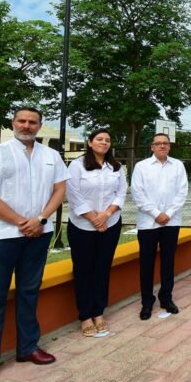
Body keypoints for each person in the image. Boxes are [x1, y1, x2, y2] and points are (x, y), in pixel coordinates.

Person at [0, 107, 69, 382]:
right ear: (13, 122)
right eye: (21, 121)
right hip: (1, 236)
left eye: (32, 122)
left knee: (29, 291)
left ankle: (27, 347)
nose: (26, 125)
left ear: (39, 125)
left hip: (38, 234)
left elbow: (60, 189)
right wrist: (22, 222)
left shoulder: (50, 156)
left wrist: (40, 219)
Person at [66, 129, 127, 336]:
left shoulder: (116, 167)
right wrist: (94, 218)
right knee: (83, 271)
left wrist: (106, 214)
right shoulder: (77, 165)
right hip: (82, 226)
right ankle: (85, 316)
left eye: (107, 140)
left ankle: (99, 312)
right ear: (90, 142)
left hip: (110, 224)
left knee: (102, 269)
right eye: (99, 139)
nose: (104, 142)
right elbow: (73, 195)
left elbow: (121, 193)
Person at [131, 133, 189, 319]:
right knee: (146, 263)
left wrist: (168, 214)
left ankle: (166, 298)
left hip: (171, 222)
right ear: (152, 147)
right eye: (158, 143)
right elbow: (137, 194)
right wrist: (156, 214)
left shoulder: (178, 165)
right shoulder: (141, 167)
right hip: (148, 223)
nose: (162, 146)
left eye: (165, 143)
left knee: (168, 262)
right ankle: (147, 302)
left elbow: (182, 192)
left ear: (169, 147)